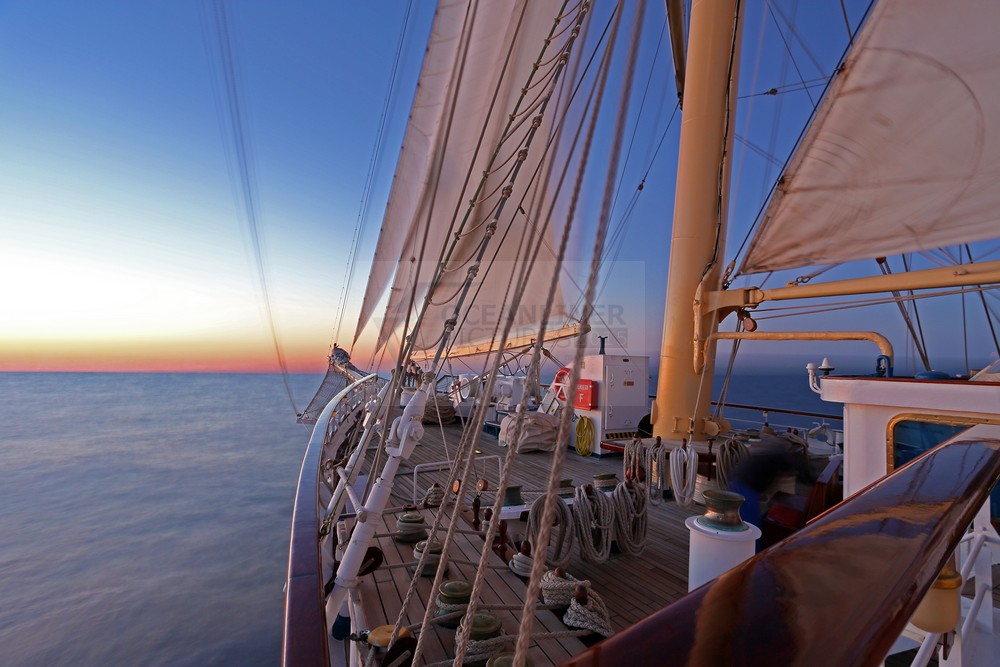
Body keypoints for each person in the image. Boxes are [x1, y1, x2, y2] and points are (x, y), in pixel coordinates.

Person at [727, 435, 806, 540]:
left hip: (738, 482)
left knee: (736, 519)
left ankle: (736, 541)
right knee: (751, 526)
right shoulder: (780, 455)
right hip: (747, 488)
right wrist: (811, 479)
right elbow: (796, 468)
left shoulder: (769, 452)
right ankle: (753, 547)